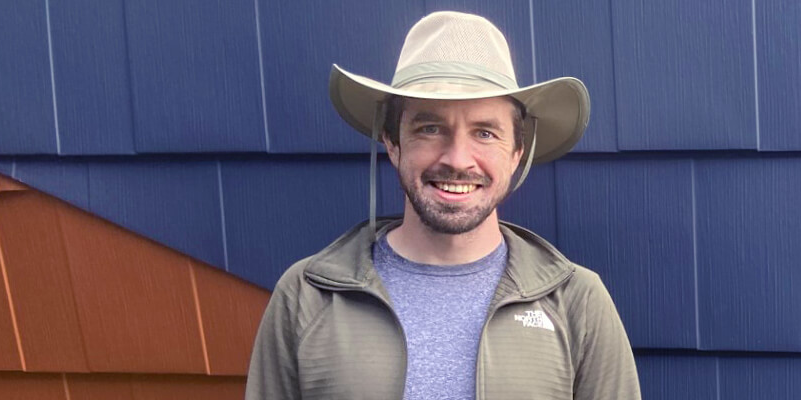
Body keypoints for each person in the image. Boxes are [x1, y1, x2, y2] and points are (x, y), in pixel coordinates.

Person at [246, 11, 639, 399]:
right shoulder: (306, 296)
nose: (457, 158)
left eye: (485, 132)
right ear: (392, 142)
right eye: (430, 129)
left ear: (517, 152)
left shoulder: (577, 302)